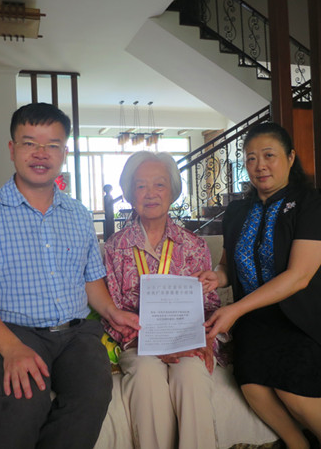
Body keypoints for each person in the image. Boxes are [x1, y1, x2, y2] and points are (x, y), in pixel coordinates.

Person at [0, 103, 140, 449]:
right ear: (12, 149)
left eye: (52, 144)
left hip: (76, 334)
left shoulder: (78, 214)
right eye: (29, 143)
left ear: (64, 152)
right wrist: (11, 348)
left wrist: (112, 312)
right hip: (17, 330)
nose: (41, 153)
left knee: (93, 393)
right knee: (24, 402)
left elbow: (90, 280)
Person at [199, 122, 321, 449]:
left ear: (290, 158)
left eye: (269, 155)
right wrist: (216, 277)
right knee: (251, 382)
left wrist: (235, 309)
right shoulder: (237, 211)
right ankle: (297, 445)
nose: (260, 165)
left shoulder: (312, 204)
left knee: (290, 384)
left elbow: (299, 276)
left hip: (308, 314)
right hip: (259, 318)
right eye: (251, 158)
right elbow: (228, 266)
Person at [103, 150, 222, 449]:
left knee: (192, 374)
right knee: (145, 375)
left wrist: (205, 340)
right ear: (130, 194)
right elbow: (111, 309)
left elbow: (210, 305)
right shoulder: (115, 247)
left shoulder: (194, 246)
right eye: (141, 186)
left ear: (172, 192)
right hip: (138, 342)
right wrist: (150, 343)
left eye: (159, 184)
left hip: (188, 341)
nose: (151, 193)